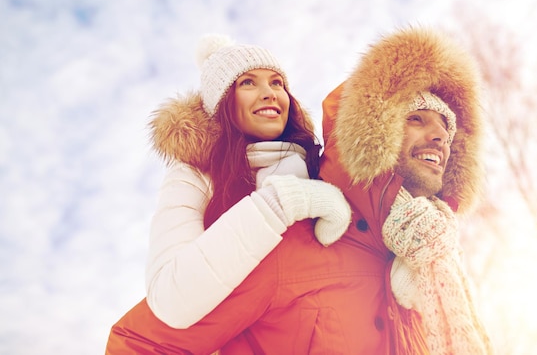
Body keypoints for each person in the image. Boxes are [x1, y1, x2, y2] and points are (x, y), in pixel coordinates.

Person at [106, 35, 396, 354]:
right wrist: (283, 202)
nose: (269, 93)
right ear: (222, 103)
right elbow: (172, 299)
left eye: (276, 82)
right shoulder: (195, 176)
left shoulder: (321, 166)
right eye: (248, 83)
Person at [319, 26, 493, 354]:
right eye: (417, 119)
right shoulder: (305, 240)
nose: (441, 136)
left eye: (447, 127)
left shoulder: (433, 262)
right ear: (377, 129)